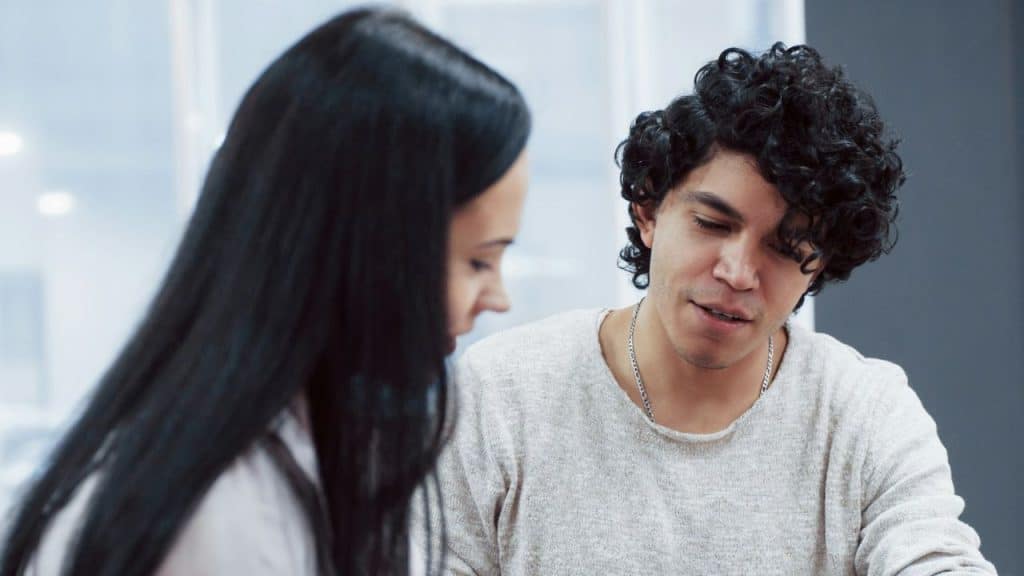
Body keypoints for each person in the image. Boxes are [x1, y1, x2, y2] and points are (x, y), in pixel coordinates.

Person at [425, 44, 997, 574]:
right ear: (648, 210)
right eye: (711, 224)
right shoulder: (501, 395)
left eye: (785, 247)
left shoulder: (866, 415)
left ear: (820, 263)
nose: (737, 272)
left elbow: (935, 556)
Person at [0, 7, 530, 576]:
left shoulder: (311, 459)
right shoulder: (222, 522)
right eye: (478, 261)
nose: (499, 299)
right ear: (363, 245)